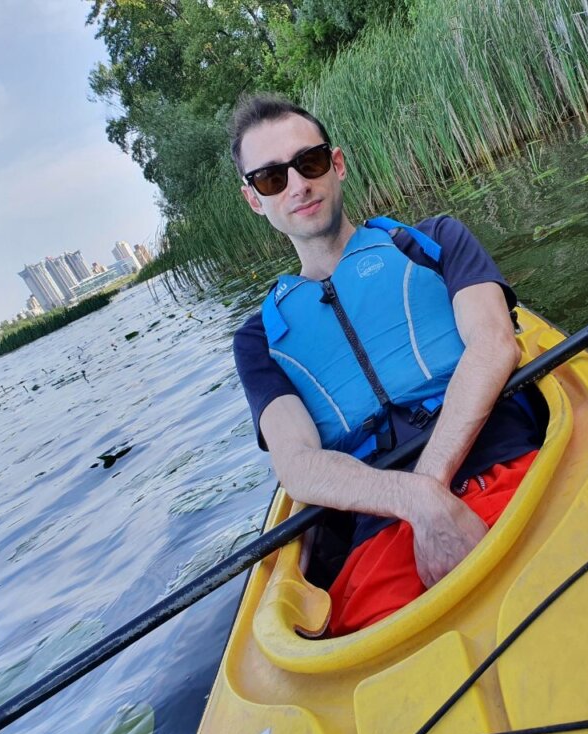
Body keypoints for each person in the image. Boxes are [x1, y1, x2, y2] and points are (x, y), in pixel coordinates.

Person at [230, 95, 543, 636]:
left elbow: (495, 344)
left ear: (338, 164)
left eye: (309, 163)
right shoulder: (258, 340)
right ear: (255, 200)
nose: (298, 185)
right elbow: (297, 464)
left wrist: (430, 486)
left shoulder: (435, 241)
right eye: (271, 179)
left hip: (507, 459)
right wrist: (416, 502)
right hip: (379, 532)